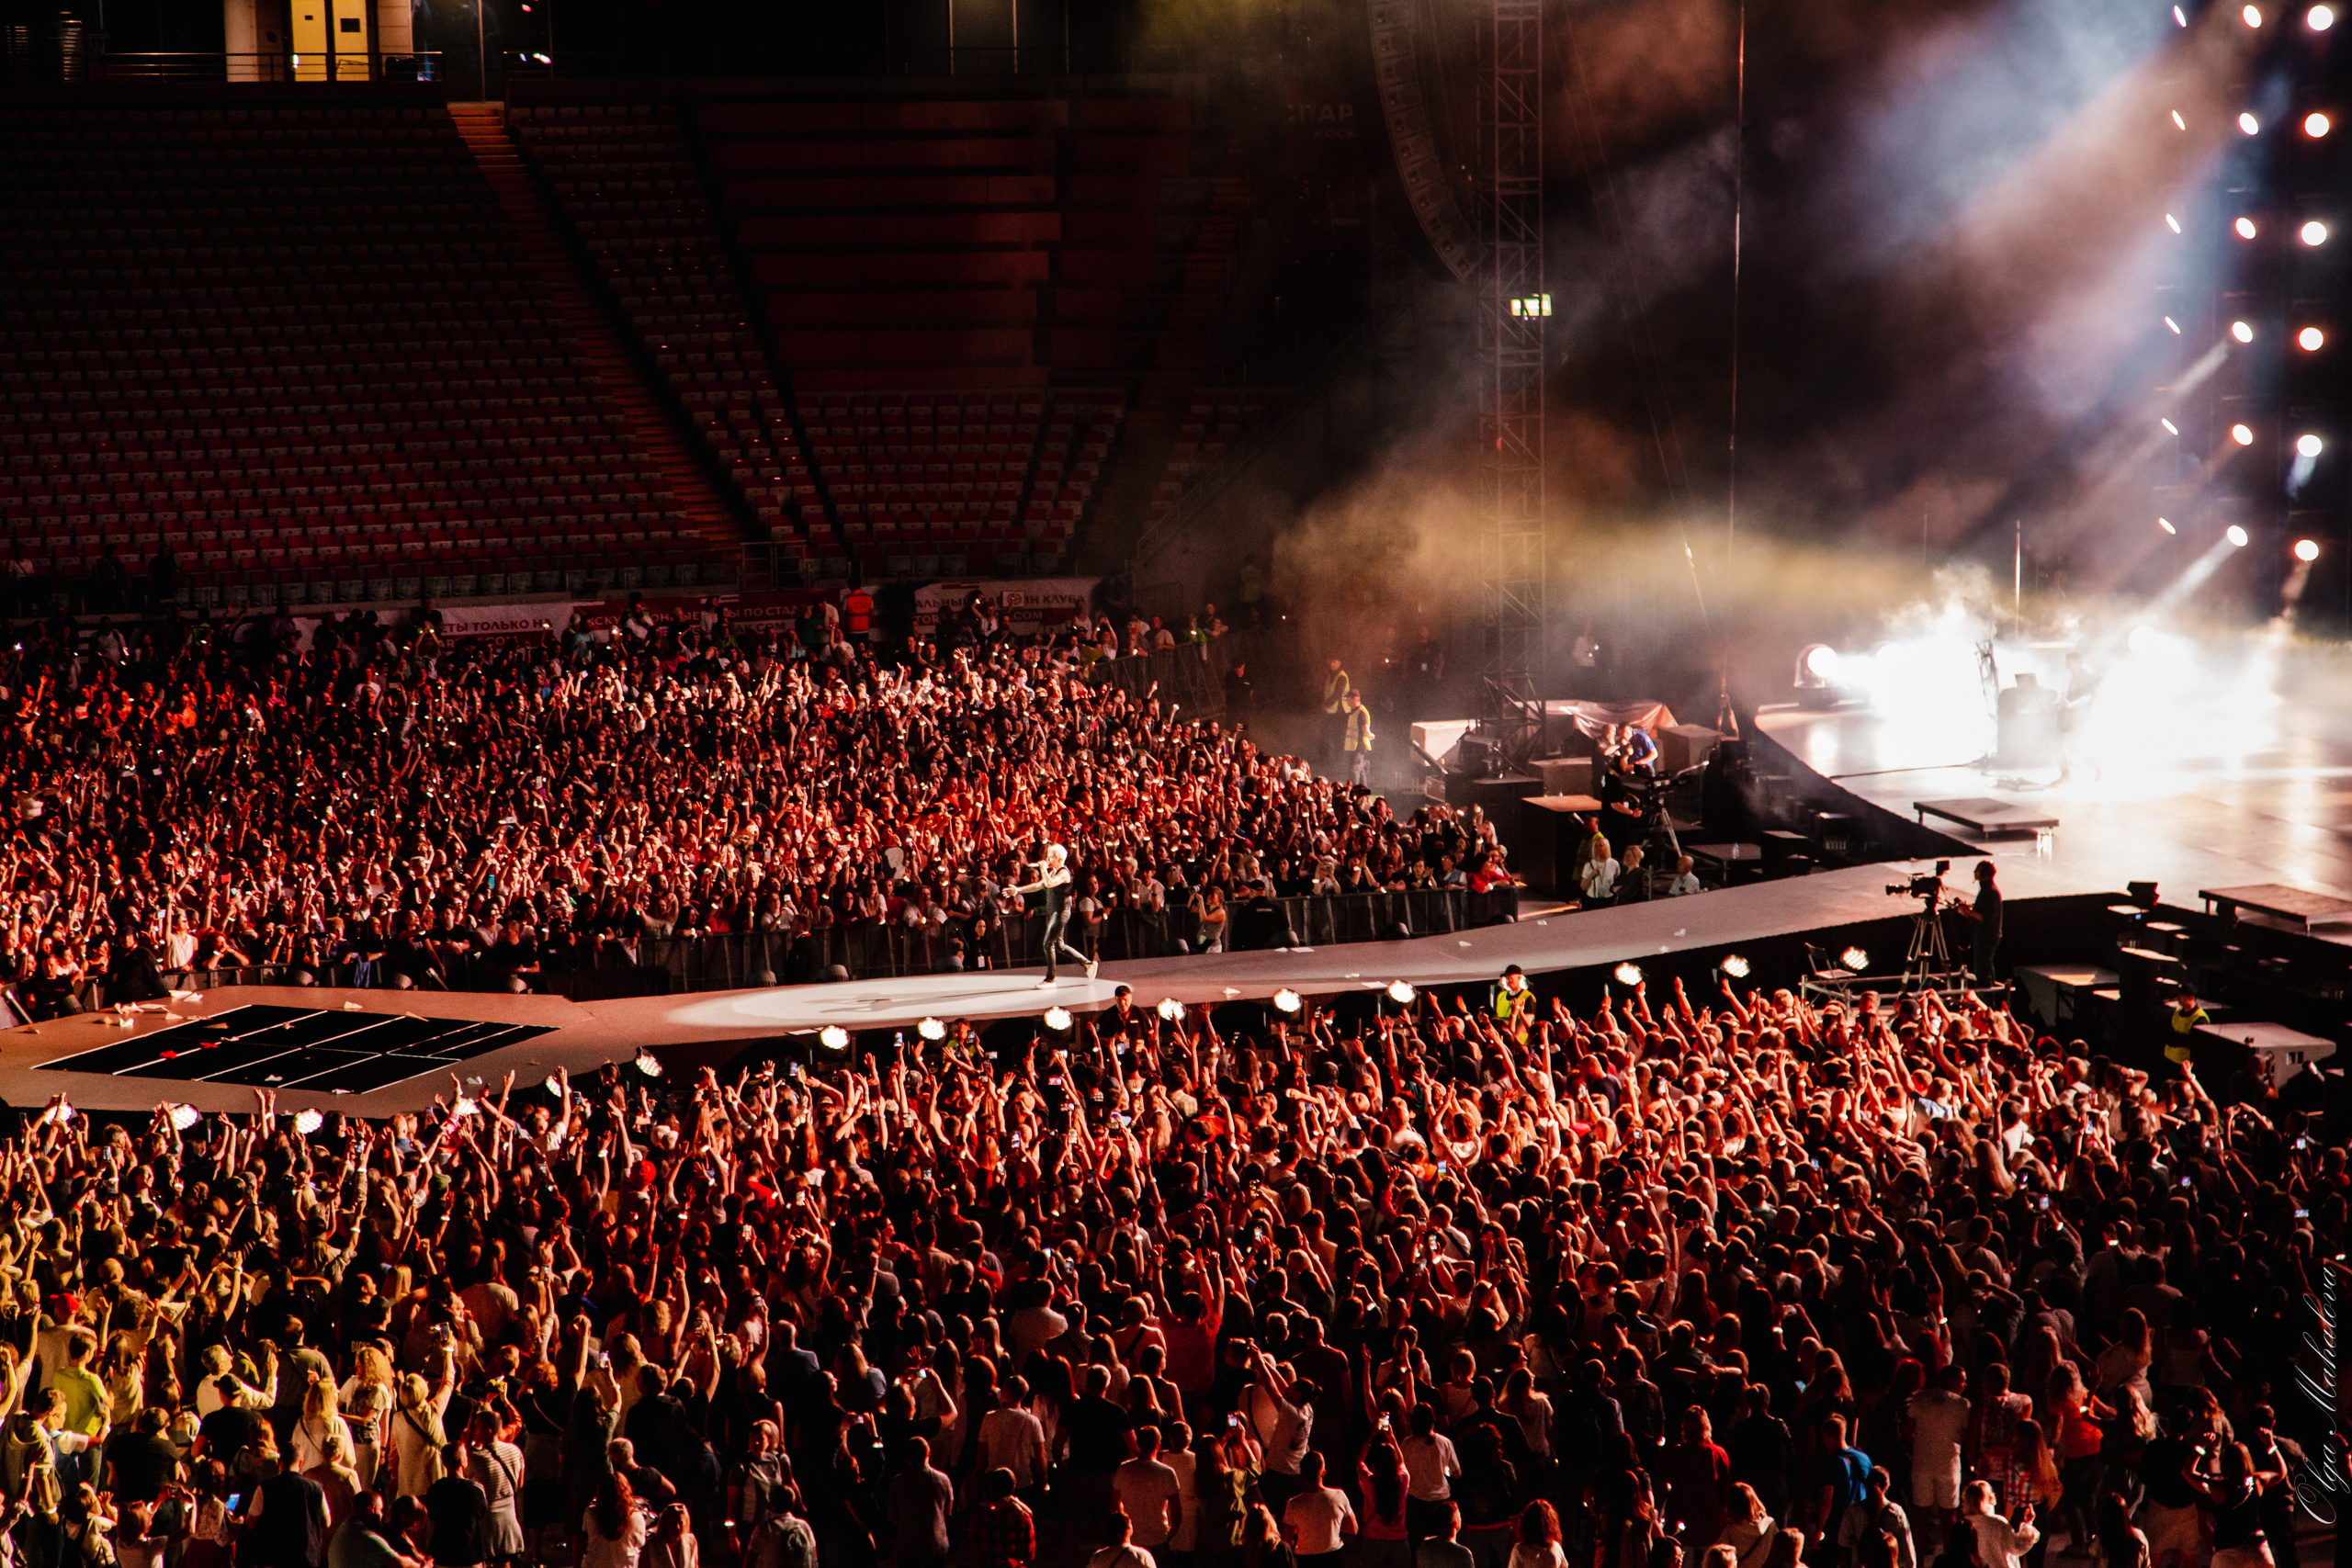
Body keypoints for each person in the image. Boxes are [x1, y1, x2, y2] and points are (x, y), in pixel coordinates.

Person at [1008, 843, 1098, 987]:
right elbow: (1040, 885)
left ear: (1058, 858)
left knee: (1048, 943)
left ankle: (1050, 979)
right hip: (1054, 910)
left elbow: (1049, 884)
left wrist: (1043, 868)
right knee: (1059, 945)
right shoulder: (1053, 871)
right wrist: (1018, 890)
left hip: (1061, 912)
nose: (1047, 859)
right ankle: (1088, 964)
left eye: (1050, 857)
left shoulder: (1064, 873)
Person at [1280, 1451, 1353, 1568]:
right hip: (1334, 1556)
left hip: (1306, 1559)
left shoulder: (1294, 1504)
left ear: (1301, 1473)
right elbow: (1353, 1528)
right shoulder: (1339, 1496)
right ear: (1323, 1472)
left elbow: (1287, 1538)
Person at [2055, 652, 2100, 783]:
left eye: (2068, 663)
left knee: (2069, 745)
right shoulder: (2076, 675)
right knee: (2063, 744)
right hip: (2071, 715)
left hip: (2079, 716)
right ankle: (2067, 774)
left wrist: (2070, 705)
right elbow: (2074, 695)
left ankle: (2098, 764)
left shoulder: (2087, 675)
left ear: (2076, 661)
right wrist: (2062, 702)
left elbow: (2088, 698)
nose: (2067, 666)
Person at [1489, 965, 1535, 1043]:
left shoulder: (1527, 996)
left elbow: (1527, 1022)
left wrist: (1513, 1039)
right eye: (1507, 979)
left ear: (1519, 978)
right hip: (1503, 1040)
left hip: (1520, 1042)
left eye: (1510, 979)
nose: (1507, 981)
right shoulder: (1501, 996)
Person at [1322, 658, 1351, 766]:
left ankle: (1339, 759)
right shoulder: (1331, 675)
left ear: (1339, 663)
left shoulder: (1342, 677)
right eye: (1330, 661)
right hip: (1331, 711)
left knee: (1338, 736)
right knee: (1328, 734)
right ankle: (1326, 758)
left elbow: (1337, 694)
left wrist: (1326, 704)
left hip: (1340, 711)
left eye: (1334, 662)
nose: (1331, 664)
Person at [1342, 690, 1374, 787]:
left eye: (1349, 699)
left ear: (1355, 699)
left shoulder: (1361, 712)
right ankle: (1363, 792)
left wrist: (1369, 734)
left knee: (1354, 770)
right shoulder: (1355, 712)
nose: (1347, 701)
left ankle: (1355, 791)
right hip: (1354, 746)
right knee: (1360, 771)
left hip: (1358, 746)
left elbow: (1365, 728)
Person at [1579, 837, 1621, 906]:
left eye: (1601, 845)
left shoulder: (1614, 864)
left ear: (1606, 847)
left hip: (1609, 900)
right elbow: (1583, 887)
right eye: (1595, 846)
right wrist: (1591, 876)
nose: (1598, 848)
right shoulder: (1589, 865)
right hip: (1592, 900)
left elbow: (1618, 879)